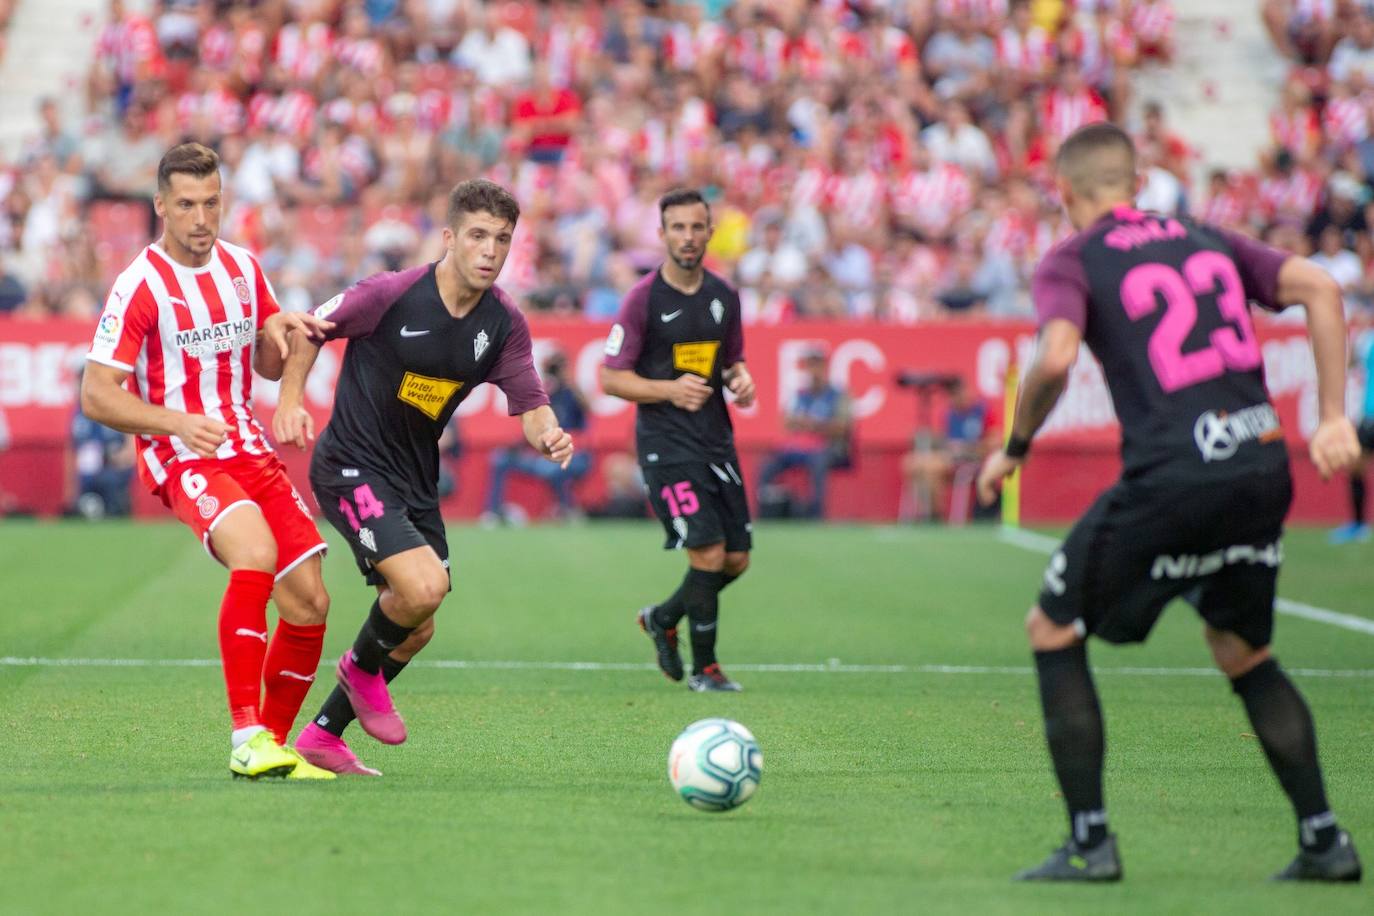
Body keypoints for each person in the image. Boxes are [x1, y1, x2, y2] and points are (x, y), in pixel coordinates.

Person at [977, 123, 1363, 883]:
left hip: (1177, 474)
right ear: (1138, 180)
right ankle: (1325, 841)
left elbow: (1055, 356)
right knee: (1242, 650)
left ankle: (1090, 843)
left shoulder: (1072, 257)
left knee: (1052, 628)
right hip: (1260, 463)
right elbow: (1320, 286)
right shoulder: (1205, 235)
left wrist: (1015, 445)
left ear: (1066, 194)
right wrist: (1331, 416)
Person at [273, 178, 572, 776]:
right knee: (423, 588)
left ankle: (323, 735)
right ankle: (358, 671)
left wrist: (548, 433)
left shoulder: (504, 323)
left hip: (413, 479)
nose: (490, 250)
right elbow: (308, 328)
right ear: (449, 238)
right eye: (479, 236)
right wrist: (289, 400)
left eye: (503, 240)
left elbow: (530, 402)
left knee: (416, 626)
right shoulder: (391, 293)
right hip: (350, 464)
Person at [79, 143, 337, 781]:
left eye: (212, 202)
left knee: (309, 603)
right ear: (160, 206)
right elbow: (96, 393)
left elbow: (275, 353)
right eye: (187, 204)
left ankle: (272, 744)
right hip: (182, 454)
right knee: (254, 553)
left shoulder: (244, 269)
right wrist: (175, 423)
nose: (201, 217)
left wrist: (289, 370)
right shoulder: (140, 285)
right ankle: (246, 732)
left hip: (248, 447)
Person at [601, 187, 757, 692]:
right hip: (665, 445)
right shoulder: (643, 299)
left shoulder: (723, 296)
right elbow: (610, 378)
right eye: (678, 228)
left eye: (696, 227)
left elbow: (731, 359)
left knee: (736, 559)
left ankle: (663, 618)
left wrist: (740, 378)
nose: (688, 237)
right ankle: (705, 670)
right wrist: (669, 389)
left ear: (710, 232)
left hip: (716, 439)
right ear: (662, 233)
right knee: (708, 554)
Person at [482, 349, 591, 523]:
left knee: (553, 468)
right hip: (545, 454)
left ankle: (568, 509)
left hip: (574, 454)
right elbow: (535, 426)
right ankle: (493, 512)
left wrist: (568, 380)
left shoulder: (573, 393)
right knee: (500, 459)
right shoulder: (547, 394)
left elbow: (589, 409)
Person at [757, 348, 851, 519]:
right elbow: (786, 423)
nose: (813, 371)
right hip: (800, 447)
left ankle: (816, 515)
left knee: (818, 461)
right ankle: (764, 510)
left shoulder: (838, 396)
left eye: (817, 366)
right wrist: (802, 424)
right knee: (768, 464)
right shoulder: (799, 395)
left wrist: (814, 425)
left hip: (829, 448)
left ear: (825, 368)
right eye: (810, 366)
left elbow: (843, 428)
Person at [903, 377, 993, 522]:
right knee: (912, 463)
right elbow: (943, 439)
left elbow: (993, 441)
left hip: (972, 458)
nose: (955, 398)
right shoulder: (949, 414)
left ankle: (934, 514)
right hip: (949, 457)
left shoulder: (982, 411)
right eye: (952, 395)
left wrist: (968, 448)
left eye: (957, 393)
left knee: (932, 467)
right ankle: (926, 511)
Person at [70, 367, 135, 518]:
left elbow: (130, 448)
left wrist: (115, 458)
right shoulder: (78, 413)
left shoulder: (117, 407)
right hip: (88, 471)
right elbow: (76, 448)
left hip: (113, 468)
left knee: (109, 486)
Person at [1330, 328, 1374, 544]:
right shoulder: (1367, 339)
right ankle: (1358, 525)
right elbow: (1350, 365)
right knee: (1355, 467)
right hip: (1369, 415)